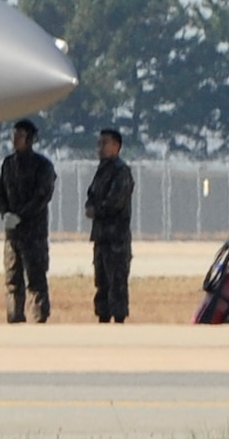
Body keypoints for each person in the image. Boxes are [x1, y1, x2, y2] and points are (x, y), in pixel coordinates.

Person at [0, 118, 55, 323]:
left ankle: (39, 318)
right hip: (13, 235)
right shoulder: (8, 164)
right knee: (12, 279)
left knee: (36, 279)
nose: (15, 140)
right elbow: (0, 191)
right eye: (14, 135)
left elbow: (42, 195)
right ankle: (14, 317)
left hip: (34, 234)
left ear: (30, 139)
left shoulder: (43, 166)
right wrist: (5, 213)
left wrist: (21, 215)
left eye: (20, 136)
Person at [84, 128, 134, 322]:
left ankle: (119, 319)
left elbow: (115, 201)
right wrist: (90, 207)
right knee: (102, 281)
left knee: (117, 282)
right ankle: (102, 317)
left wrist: (97, 210)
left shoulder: (121, 172)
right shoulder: (101, 170)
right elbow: (91, 196)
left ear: (117, 146)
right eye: (99, 143)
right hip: (101, 236)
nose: (100, 148)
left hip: (116, 239)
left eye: (105, 143)